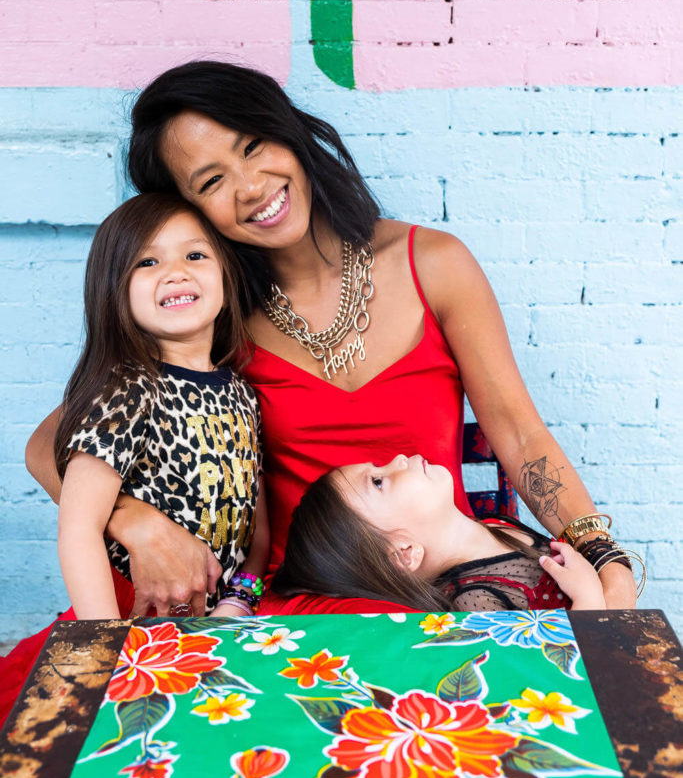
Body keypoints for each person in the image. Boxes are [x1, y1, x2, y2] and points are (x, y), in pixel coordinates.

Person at [24, 61, 638, 622]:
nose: (251, 186)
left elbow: (520, 435)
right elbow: (50, 445)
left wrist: (602, 553)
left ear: (290, 133)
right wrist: (138, 523)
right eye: (211, 181)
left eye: (254, 146)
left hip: (438, 591)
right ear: (189, 210)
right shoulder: (215, 314)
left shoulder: (434, 264)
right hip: (286, 608)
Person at [53, 192, 269, 620]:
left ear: (226, 282)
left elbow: (256, 530)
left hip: (224, 620)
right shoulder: (128, 390)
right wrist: (105, 639)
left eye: (195, 255)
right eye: (148, 262)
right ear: (115, 291)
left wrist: (238, 600)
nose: (176, 272)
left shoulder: (243, 395)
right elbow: (79, 527)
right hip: (132, 614)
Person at [272, 454, 612, 612]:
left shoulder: (495, 524)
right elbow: (548, 681)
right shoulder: (475, 603)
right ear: (405, 552)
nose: (399, 459)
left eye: (379, 465)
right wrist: (590, 602)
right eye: (378, 481)